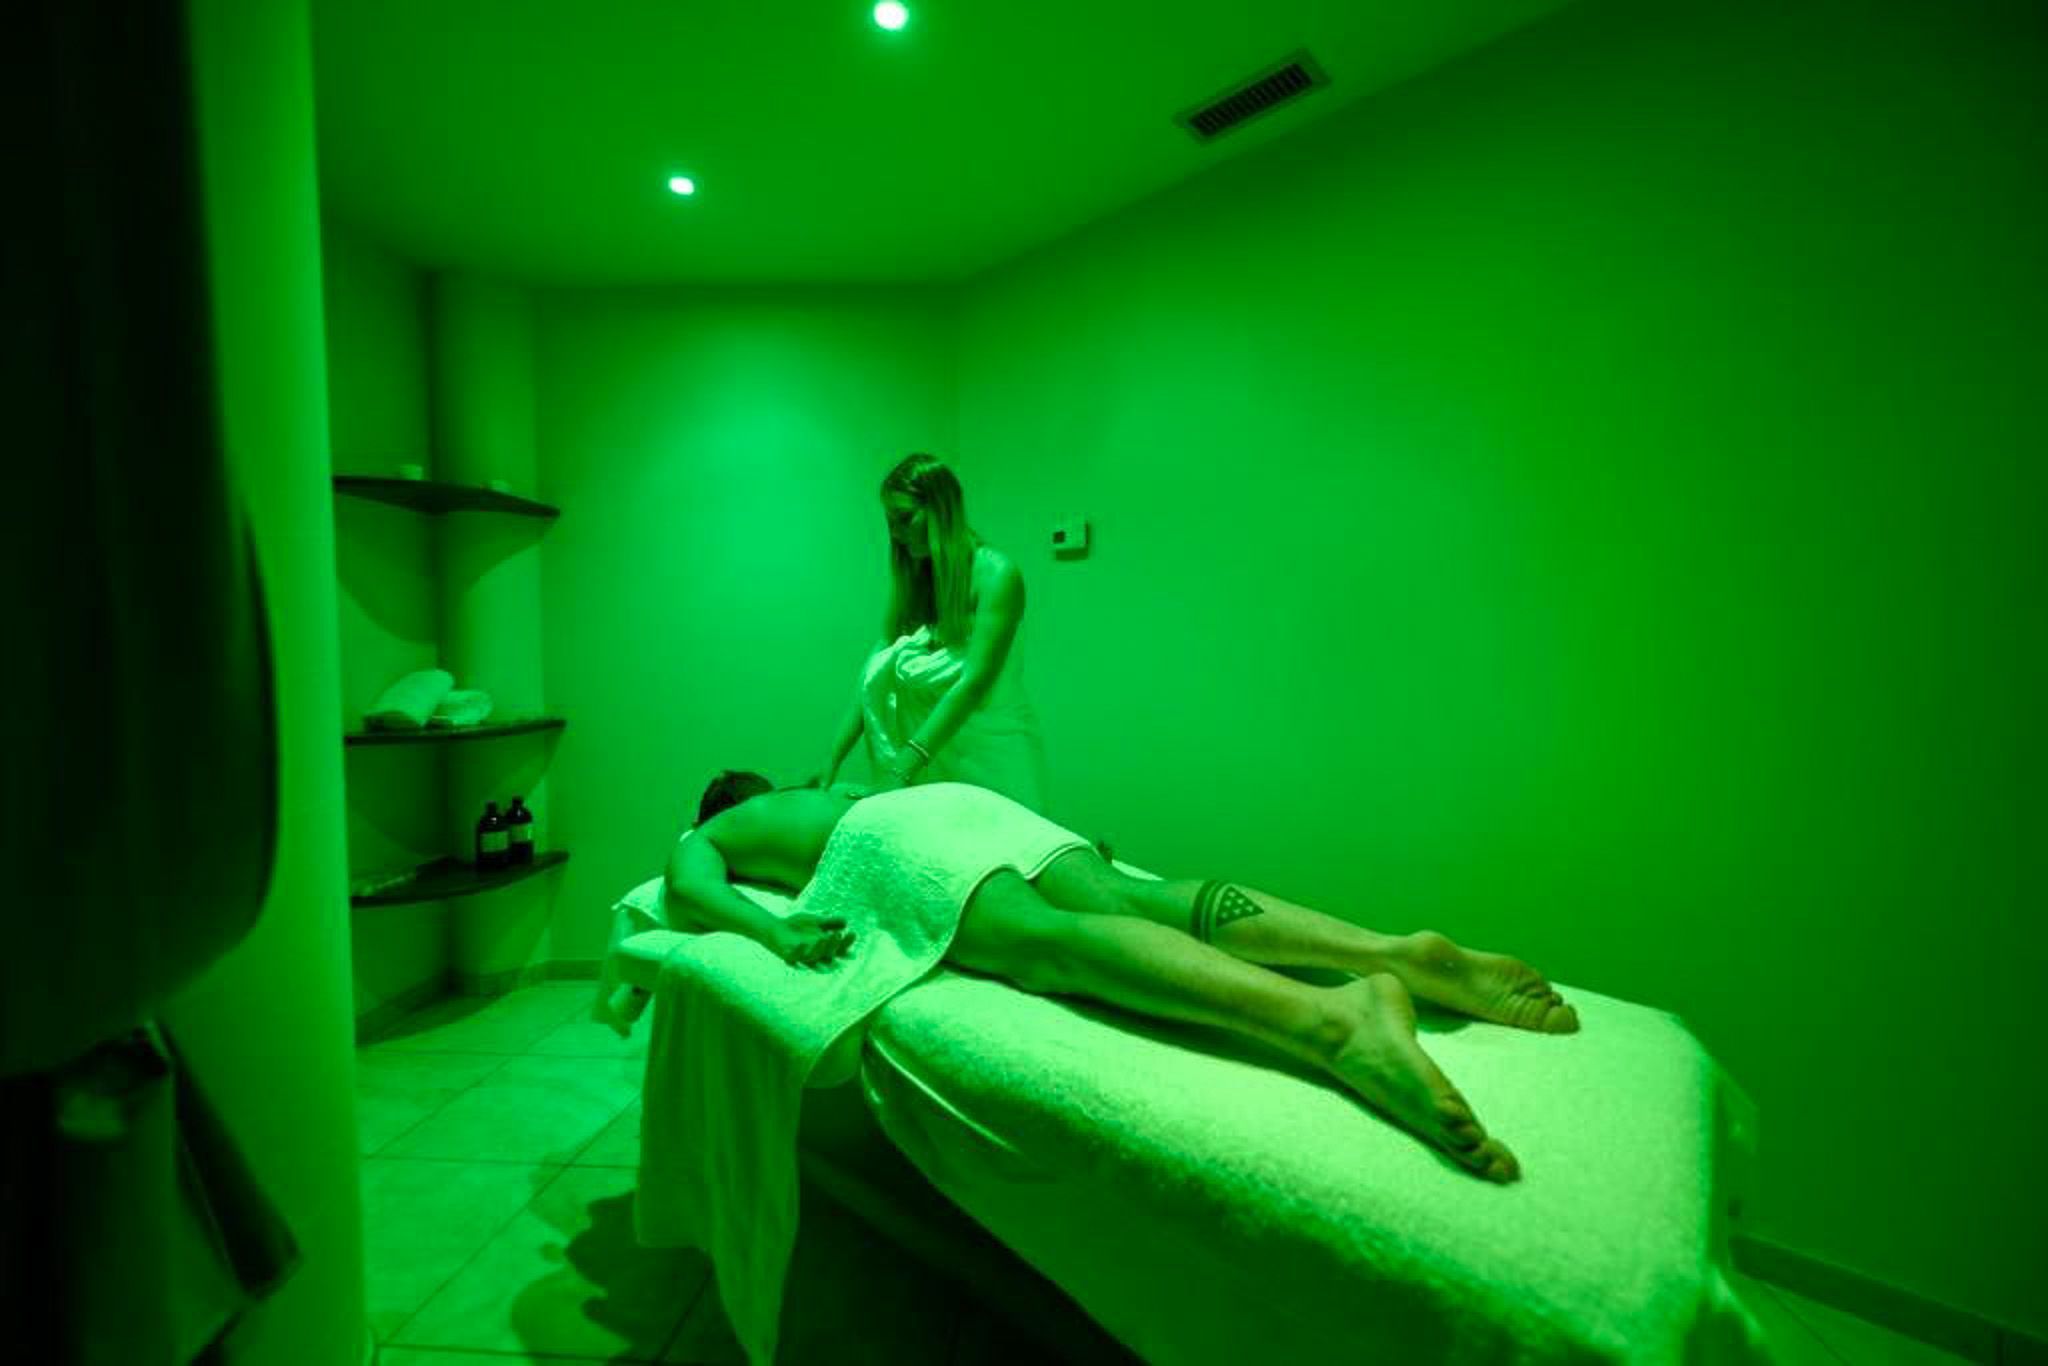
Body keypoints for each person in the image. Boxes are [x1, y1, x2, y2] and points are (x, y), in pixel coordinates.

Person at [667, 773, 1582, 1185]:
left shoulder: (730, 823)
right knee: (1128, 896)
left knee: (1047, 942)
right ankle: (1386, 953)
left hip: (887, 840)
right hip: (958, 799)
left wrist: (773, 926)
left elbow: (685, 883)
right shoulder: (841, 787)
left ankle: (1334, 1022)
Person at [819, 453, 1049, 812]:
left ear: (941, 509)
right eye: (890, 522)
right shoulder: (917, 581)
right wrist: (831, 763)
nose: (896, 533)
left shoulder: (997, 576)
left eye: (905, 518)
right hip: (930, 761)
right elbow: (872, 678)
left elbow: (974, 684)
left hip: (990, 757)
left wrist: (900, 771)